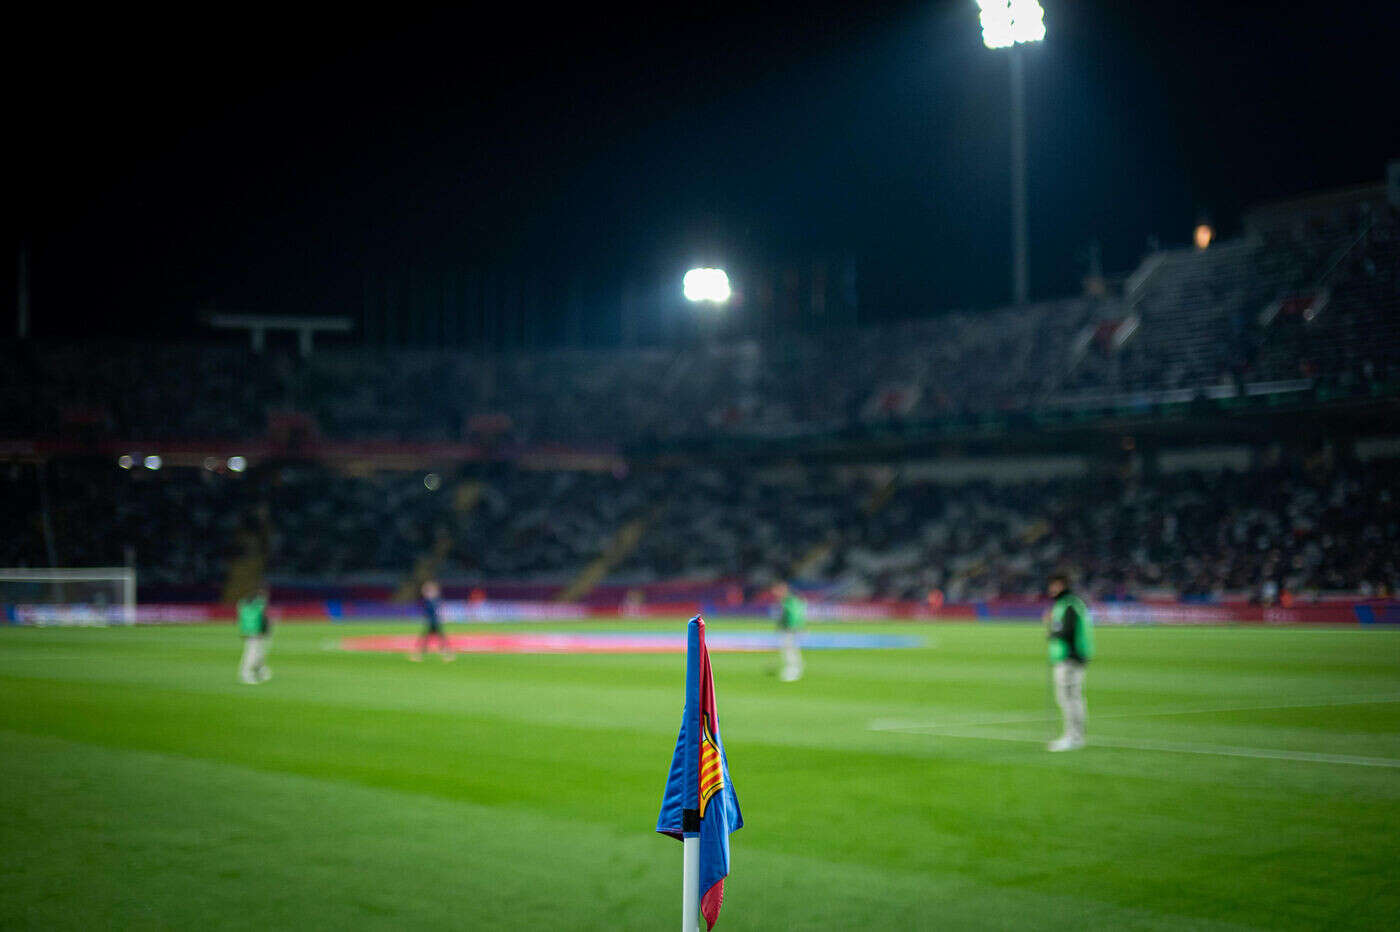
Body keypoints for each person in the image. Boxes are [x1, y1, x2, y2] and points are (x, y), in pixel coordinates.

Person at [1045, 572, 1094, 751]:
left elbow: (1066, 631)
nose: (1051, 589)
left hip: (1070, 658)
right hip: (1070, 657)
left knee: (1070, 698)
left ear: (1062, 585)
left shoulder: (1069, 604)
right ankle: (1074, 736)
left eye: (1054, 585)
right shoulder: (1069, 604)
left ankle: (1074, 737)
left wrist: (1051, 630)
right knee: (1070, 697)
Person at [411, 579, 455, 662]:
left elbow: (426, 593)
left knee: (428, 639)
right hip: (434, 622)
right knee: (436, 639)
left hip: (433, 622)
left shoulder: (432, 600)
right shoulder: (433, 600)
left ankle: (419, 655)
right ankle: (447, 654)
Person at [236, 586, 272, 685]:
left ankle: (259, 670)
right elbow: (260, 619)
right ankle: (246, 673)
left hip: (247, 631)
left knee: (257, 652)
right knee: (252, 653)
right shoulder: (259, 604)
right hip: (255, 631)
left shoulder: (242, 603)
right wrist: (264, 631)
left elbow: (242, 619)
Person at [771, 582, 805, 682]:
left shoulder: (789, 601)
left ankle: (793, 671)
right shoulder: (789, 601)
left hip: (790, 630)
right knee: (789, 650)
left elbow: (793, 616)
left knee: (789, 650)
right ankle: (794, 669)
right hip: (790, 629)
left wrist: (791, 627)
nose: (775, 593)